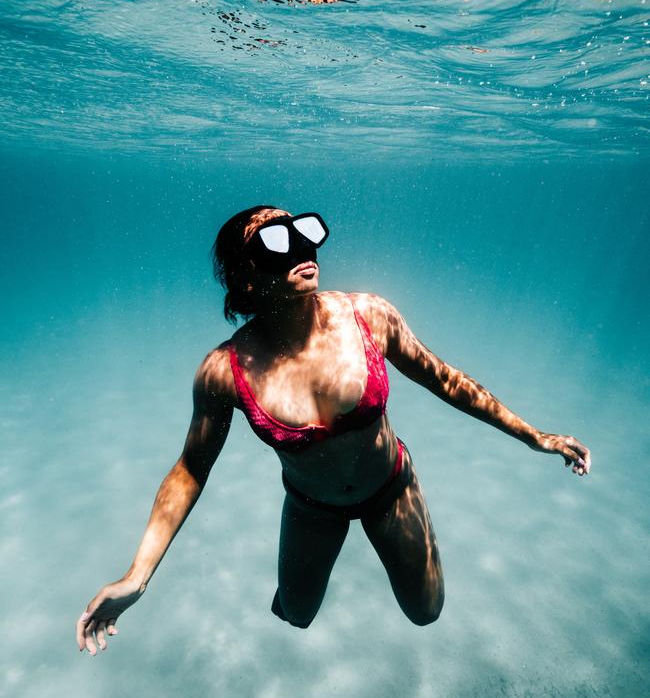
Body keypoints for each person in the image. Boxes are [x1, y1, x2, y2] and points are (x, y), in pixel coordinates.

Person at [76, 205, 592, 654]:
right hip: (311, 508)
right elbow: (190, 470)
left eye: (303, 231)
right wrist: (137, 577)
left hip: (391, 490)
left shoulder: (367, 315)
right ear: (247, 276)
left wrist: (536, 436)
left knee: (427, 611)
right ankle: (295, 587)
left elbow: (450, 383)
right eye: (277, 241)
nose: (301, 246)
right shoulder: (224, 370)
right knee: (296, 615)